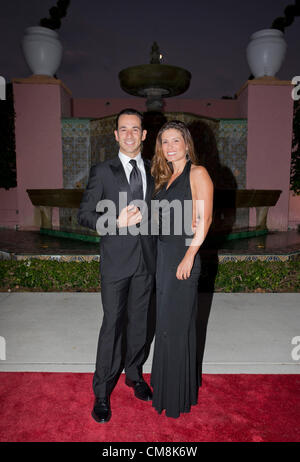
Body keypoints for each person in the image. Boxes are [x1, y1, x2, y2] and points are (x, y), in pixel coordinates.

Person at [77, 108, 156, 423]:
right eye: (123, 129)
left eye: (135, 129)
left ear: (144, 134)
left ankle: (134, 375)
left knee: (140, 324)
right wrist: (115, 220)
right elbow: (83, 215)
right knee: (112, 326)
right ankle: (101, 392)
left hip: (147, 261)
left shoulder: (154, 170)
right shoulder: (103, 171)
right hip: (115, 262)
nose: (129, 134)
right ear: (115, 135)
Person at [150, 120, 214, 418]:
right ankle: (166, 390)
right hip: (163, 255)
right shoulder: (165, 176)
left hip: (182, 255)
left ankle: (177, 398)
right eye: (165, 142)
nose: (170, 146)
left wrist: (189, 256)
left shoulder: (197, 173)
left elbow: (205, 219)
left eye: (176, 140)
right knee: (165, 325)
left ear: (187, 144)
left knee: (177, 326)